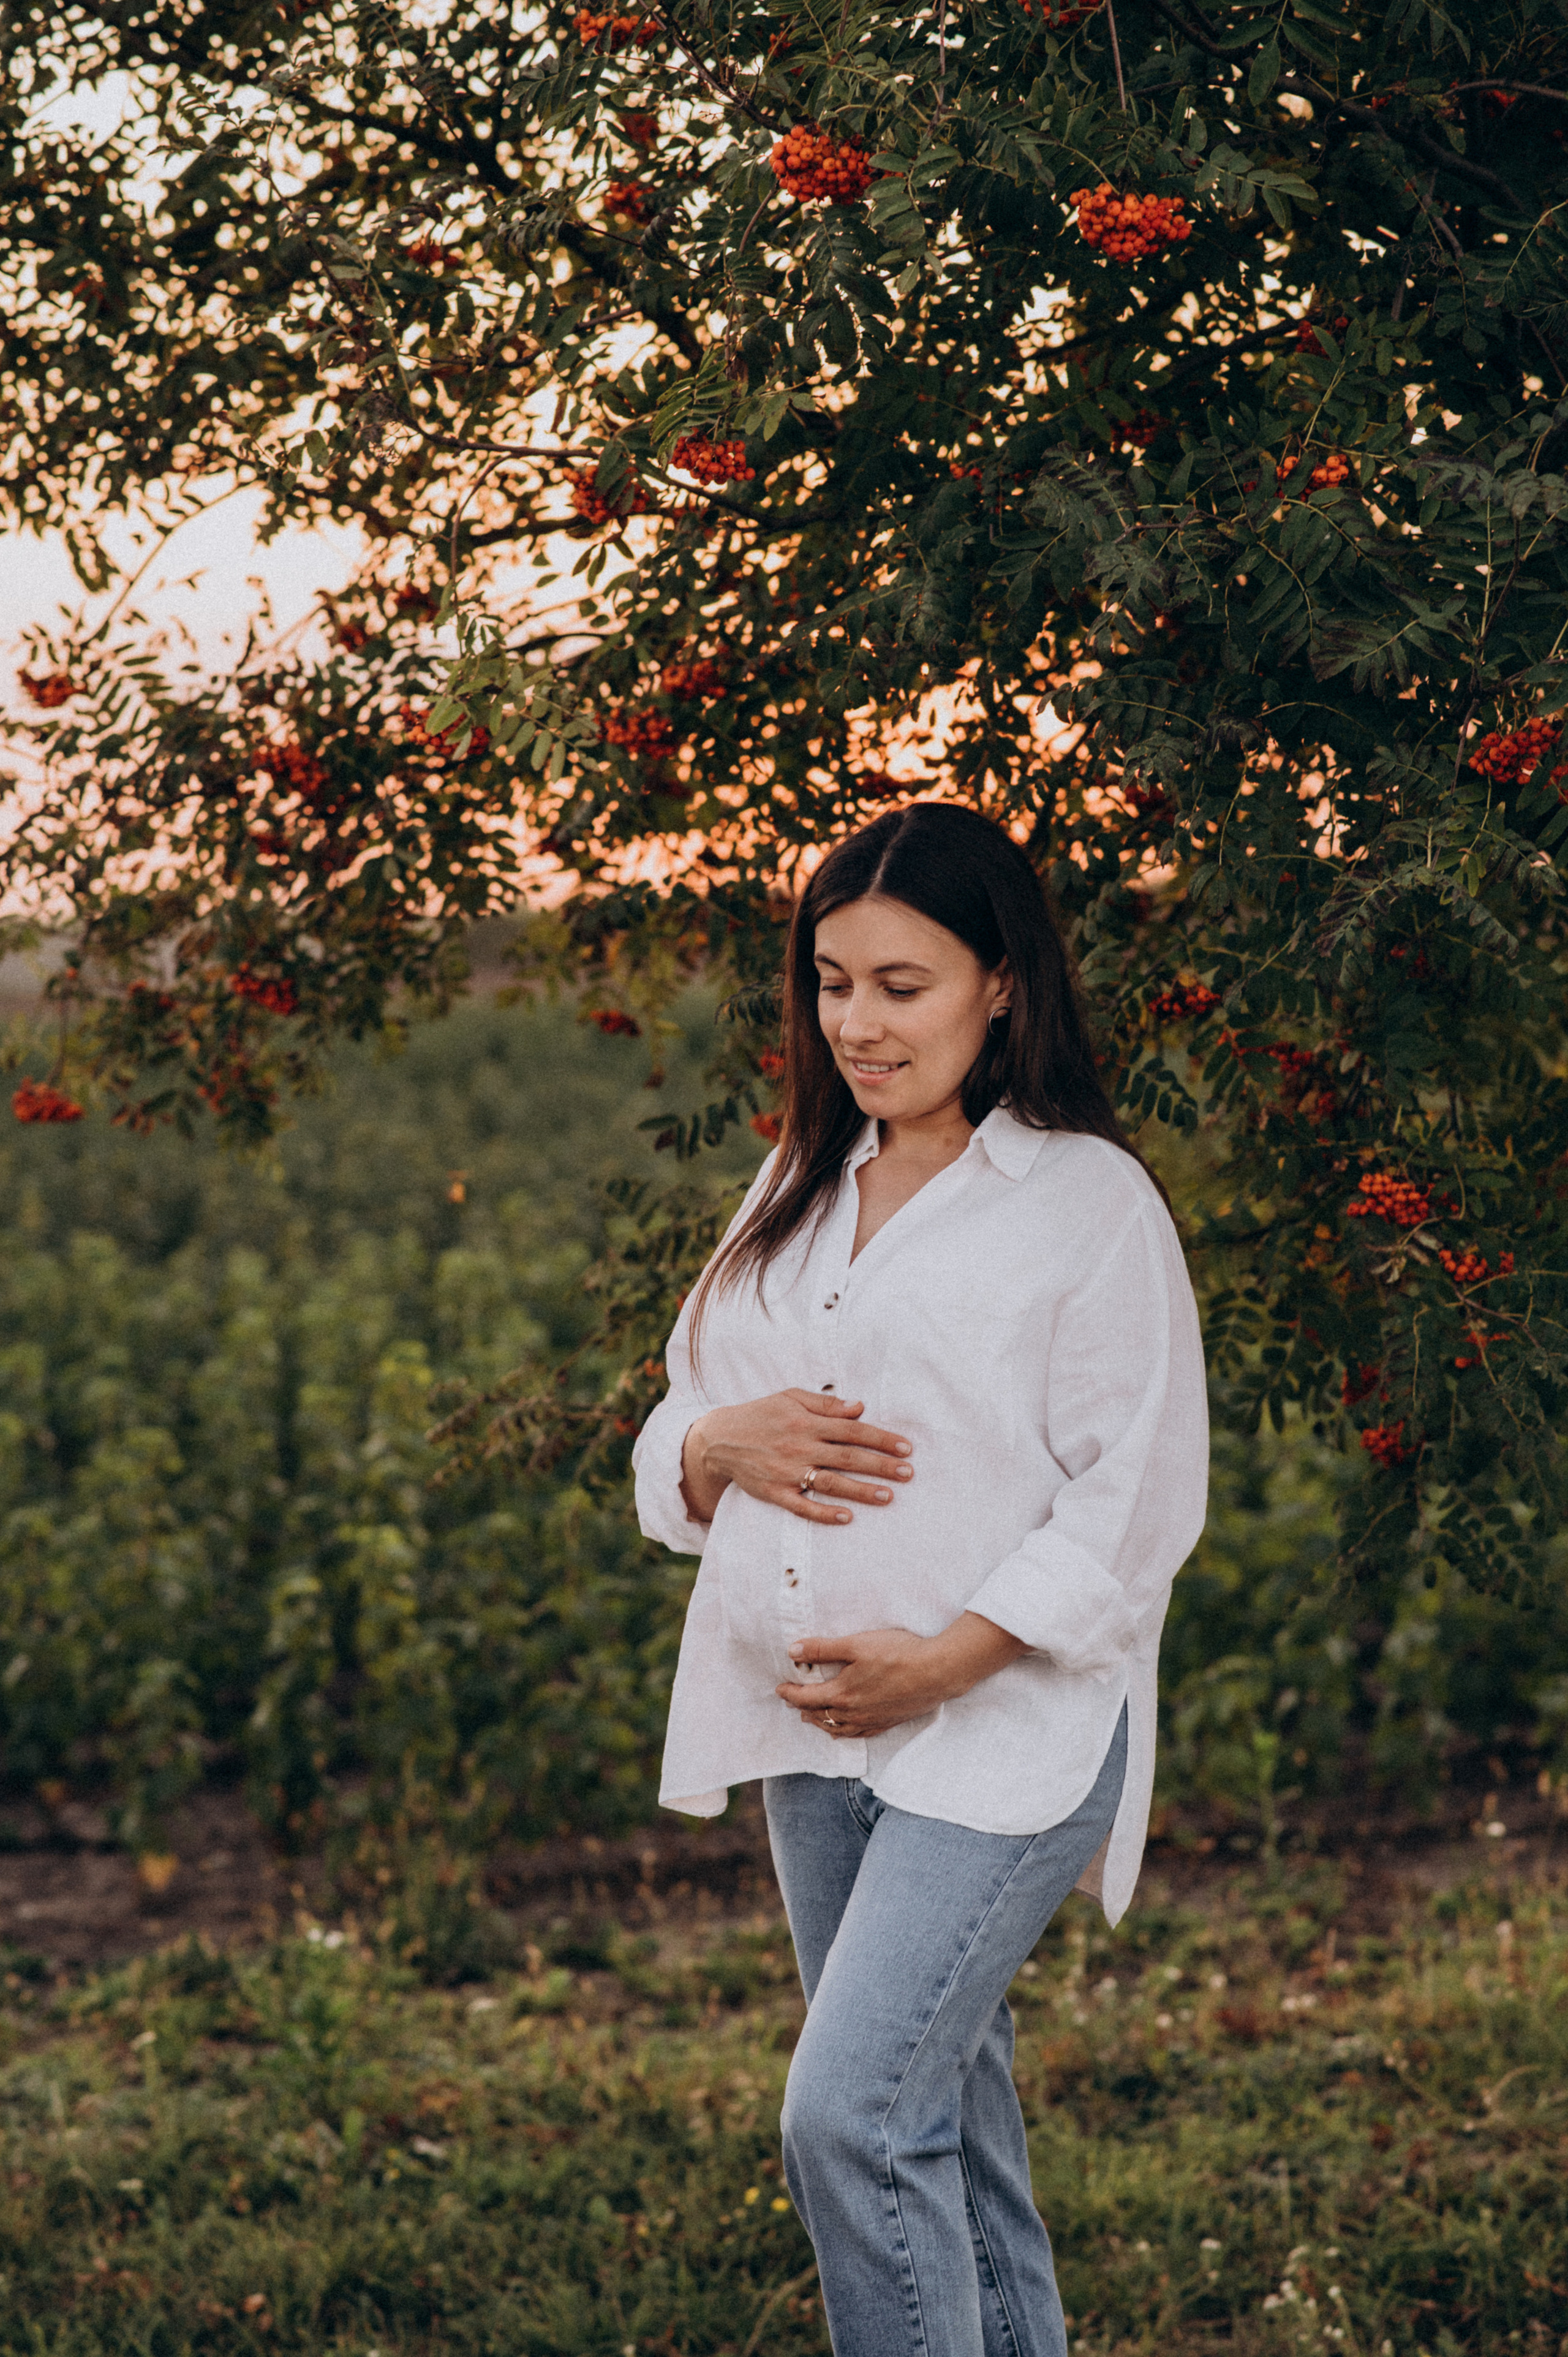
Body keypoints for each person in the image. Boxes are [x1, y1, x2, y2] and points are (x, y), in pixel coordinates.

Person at [632, 802, 1208, 2357]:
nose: (857, 1023)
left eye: (902, 983)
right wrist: (718, 1445)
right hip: (809, 1729)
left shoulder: (1082, 1204)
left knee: (850, 2117)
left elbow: (1136, 1501)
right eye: (831, 982)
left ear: (1000, 984)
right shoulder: (792, 1189)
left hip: (1000, 1735)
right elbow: (673, 1436)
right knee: (944, 2121)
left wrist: (943, 1660)